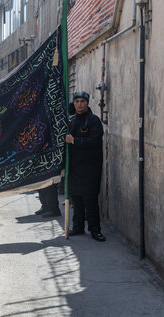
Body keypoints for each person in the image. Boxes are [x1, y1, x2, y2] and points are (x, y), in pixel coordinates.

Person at [65, 91, 106, 242]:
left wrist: (75, 141)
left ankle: (95, 230)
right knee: (76, 199)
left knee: (90, 200)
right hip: (75, 167)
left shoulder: (93, 121)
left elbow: (94, 141)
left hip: (90, 167)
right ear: (74, 103)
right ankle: (78, 227)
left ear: (87, 103)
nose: (79, 104)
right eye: (77, 101)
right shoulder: (71, 120)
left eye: (82, 101)